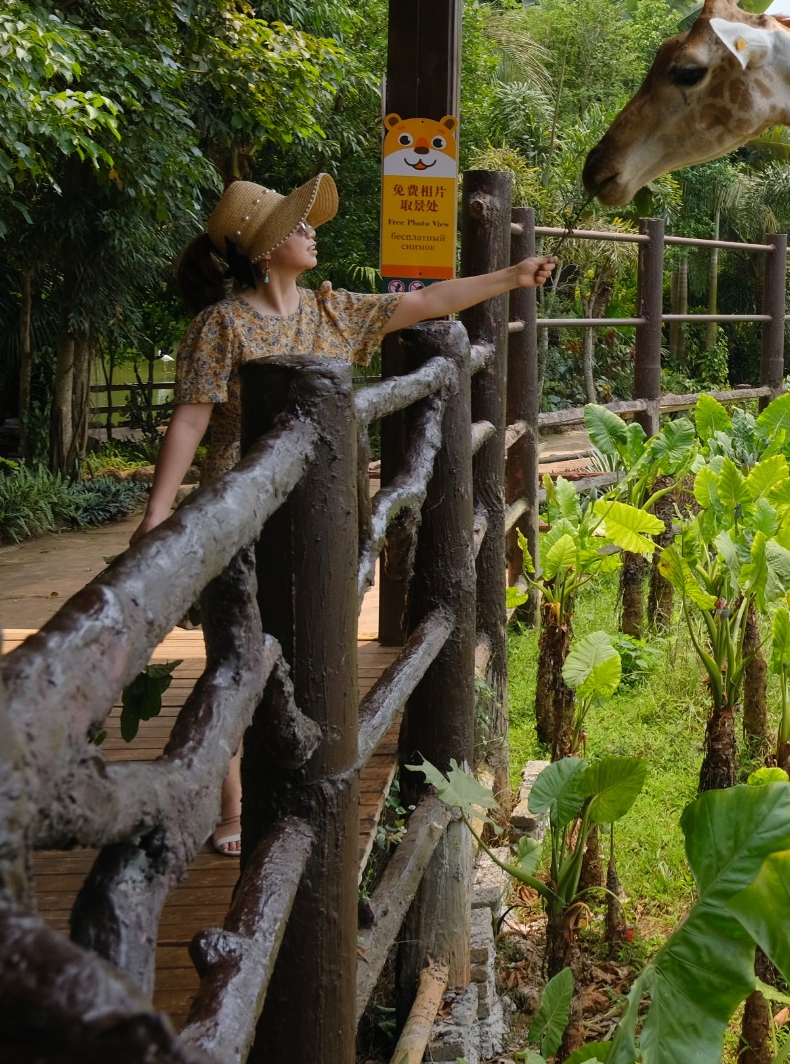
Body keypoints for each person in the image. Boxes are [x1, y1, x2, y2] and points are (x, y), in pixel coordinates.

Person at [134, 173, 556, 855]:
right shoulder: (223, 325)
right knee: (240, 653)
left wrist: (510, 275)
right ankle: (234, 808)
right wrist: (157, 514)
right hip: (241, 515)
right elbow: (190, 419)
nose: (311, 232)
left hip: (321, 514)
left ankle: (307, 782)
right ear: (266, 249)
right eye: (297, 226)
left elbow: (426, 301)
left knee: (308, 646)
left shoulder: (331, 312)